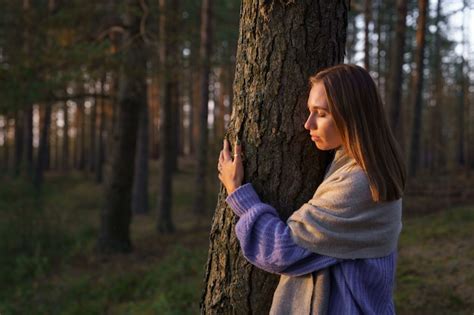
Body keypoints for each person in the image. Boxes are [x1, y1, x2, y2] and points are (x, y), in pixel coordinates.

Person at [217, 64, 406, 315]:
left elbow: (281, 250)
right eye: (310, 111)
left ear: (353, 116)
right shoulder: (362, 165)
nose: (308, 124)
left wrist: (237, 192)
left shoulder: (358, 182)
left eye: (321, 113)